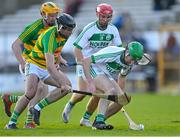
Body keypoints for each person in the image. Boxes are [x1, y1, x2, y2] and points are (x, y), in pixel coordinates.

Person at [5, 13, 76, 129]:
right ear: (60, 27)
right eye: (68, 30)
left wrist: (58, 60)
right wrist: (61, 83)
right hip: (34, 64)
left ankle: (36, 108)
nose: (70, 33)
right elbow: (49, 66)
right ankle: (11, 123)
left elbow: (56, 51)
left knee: (68, 86)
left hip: (46, 66)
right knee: (30, 93)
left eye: (71, 30)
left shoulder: (64, 35)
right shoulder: (49, 37)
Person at [2, 1, 61, 128]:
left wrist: (57, 60)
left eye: (55, 14)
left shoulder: (55, 28)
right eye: (50, 15)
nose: (54, 18)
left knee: (42, 94)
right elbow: (15, 45)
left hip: (44, 64)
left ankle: (10, 99)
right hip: (30, 62)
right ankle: (28, 122)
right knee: (37, 90)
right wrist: (22, 63)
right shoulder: (34, 28)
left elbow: (53, 47)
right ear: (43, 14)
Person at [62, 3, 122, 127]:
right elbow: (77, 49)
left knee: (101, 92)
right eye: (103, 16)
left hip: (100, 64)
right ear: (97, 15)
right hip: (86, 62)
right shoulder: (90, 29)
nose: (105, 20)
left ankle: (85, 119)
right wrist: (81, 63)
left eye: (108, 17)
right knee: (82, 93)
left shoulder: (113, 30)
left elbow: (118, 49)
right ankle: (70, 105)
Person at [82, 41, 144, 130]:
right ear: (127, 53)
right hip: (93, 67)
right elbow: (86, 61)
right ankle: (99, 121)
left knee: (124, 99)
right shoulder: (113, 54)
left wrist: (120, 96)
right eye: (132, 59)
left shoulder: (129, 64)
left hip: (106, 74)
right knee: (110, 90)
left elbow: (122, 78)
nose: (133, 62)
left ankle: (99, 120)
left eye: (135, 60)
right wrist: (90, 82)